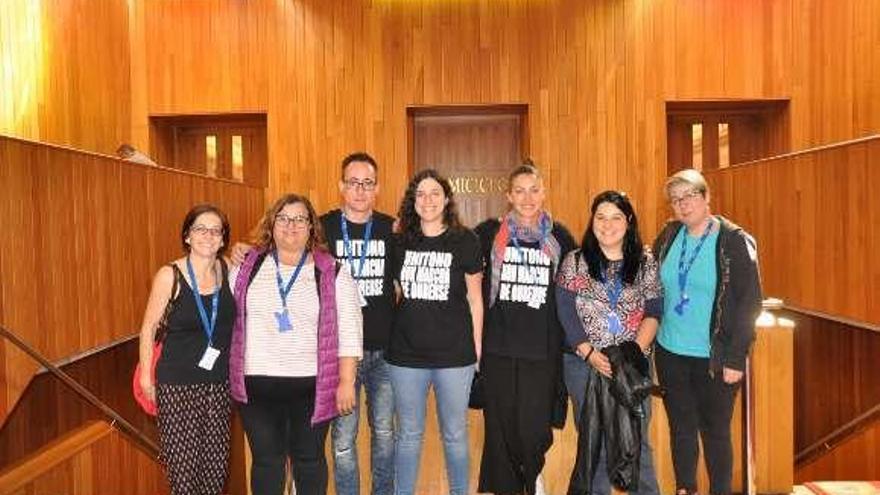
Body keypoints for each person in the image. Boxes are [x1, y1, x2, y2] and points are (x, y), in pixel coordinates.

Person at [228, 194, 363, 495]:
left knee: (309, 459)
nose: (291, 225)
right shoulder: (246, 266)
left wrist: (346, 381)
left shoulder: (332, 271)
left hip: (311, 386)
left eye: (300, 219)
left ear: (311, 227)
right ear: (271, 224)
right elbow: (226, 316)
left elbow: (350, 330)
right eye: (283, 218)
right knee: (266, 461)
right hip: (256, 385)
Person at [652, 169, 762, 495]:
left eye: (690, 196)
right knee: (681, 431)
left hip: (715, 357)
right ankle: (686, 489)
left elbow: (750, 302)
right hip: (670, 351)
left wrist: (735, 357)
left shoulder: (733, 240)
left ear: (706, 196)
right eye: (676, 199)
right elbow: (648, 278)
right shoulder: (670, 235)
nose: (683, 205)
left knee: (715, 433)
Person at [473, 162, 575, 495]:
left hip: (542, 351)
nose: (527, 198)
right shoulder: (489, 234)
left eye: (534, 190)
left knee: (535, 429)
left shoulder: (560, 238)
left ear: (543, 193)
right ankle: (508, 488)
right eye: (519, 190)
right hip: (498, 349)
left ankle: (530, 477)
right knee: (500, 431)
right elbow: (453, 248)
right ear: (508, 196)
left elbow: (576, 289)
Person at [556, 190, 661, 494]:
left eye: (616, 217)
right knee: (594, 442)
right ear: (592, 221)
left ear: (628, 221)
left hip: (632, 364)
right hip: (583, 365)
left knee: (637, 442)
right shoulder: (575, 261)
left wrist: (631, 352)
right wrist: (589, 353)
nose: (607, 224)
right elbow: (564, 310)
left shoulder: (645, 262)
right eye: (600, 217)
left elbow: (654, 310)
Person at [387, 169, 483, 495]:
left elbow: (475, 300)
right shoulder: (398, 241)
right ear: (413, 202)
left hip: (455, 356)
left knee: (455, 434)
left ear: (446, 200)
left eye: (435, 193)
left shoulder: (465, 240)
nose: (428, 200)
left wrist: (478, 349)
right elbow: (395, 291)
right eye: (421, 195)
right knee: (408, 434)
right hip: (405, 356)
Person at [137, 204, 235, 494]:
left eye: (215, 230)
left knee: (215, 475)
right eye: (200, 229)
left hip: (219, 386)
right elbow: (148, 328)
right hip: (177, 388)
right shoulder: (170, 275)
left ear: (222, 238)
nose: (208, 235)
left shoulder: (228, 268)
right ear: (187, 235)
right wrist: (146, 377)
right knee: (184, 478)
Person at [320, 152, 395, 495]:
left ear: (377, 188)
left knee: (384, 434)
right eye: (353, 183)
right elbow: (282, 247)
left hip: (385, 351)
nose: (360, 191)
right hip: (340, 355)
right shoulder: (322, 229)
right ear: (341, 186)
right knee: (344, 439)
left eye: (367, 183)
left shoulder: (390, 228)